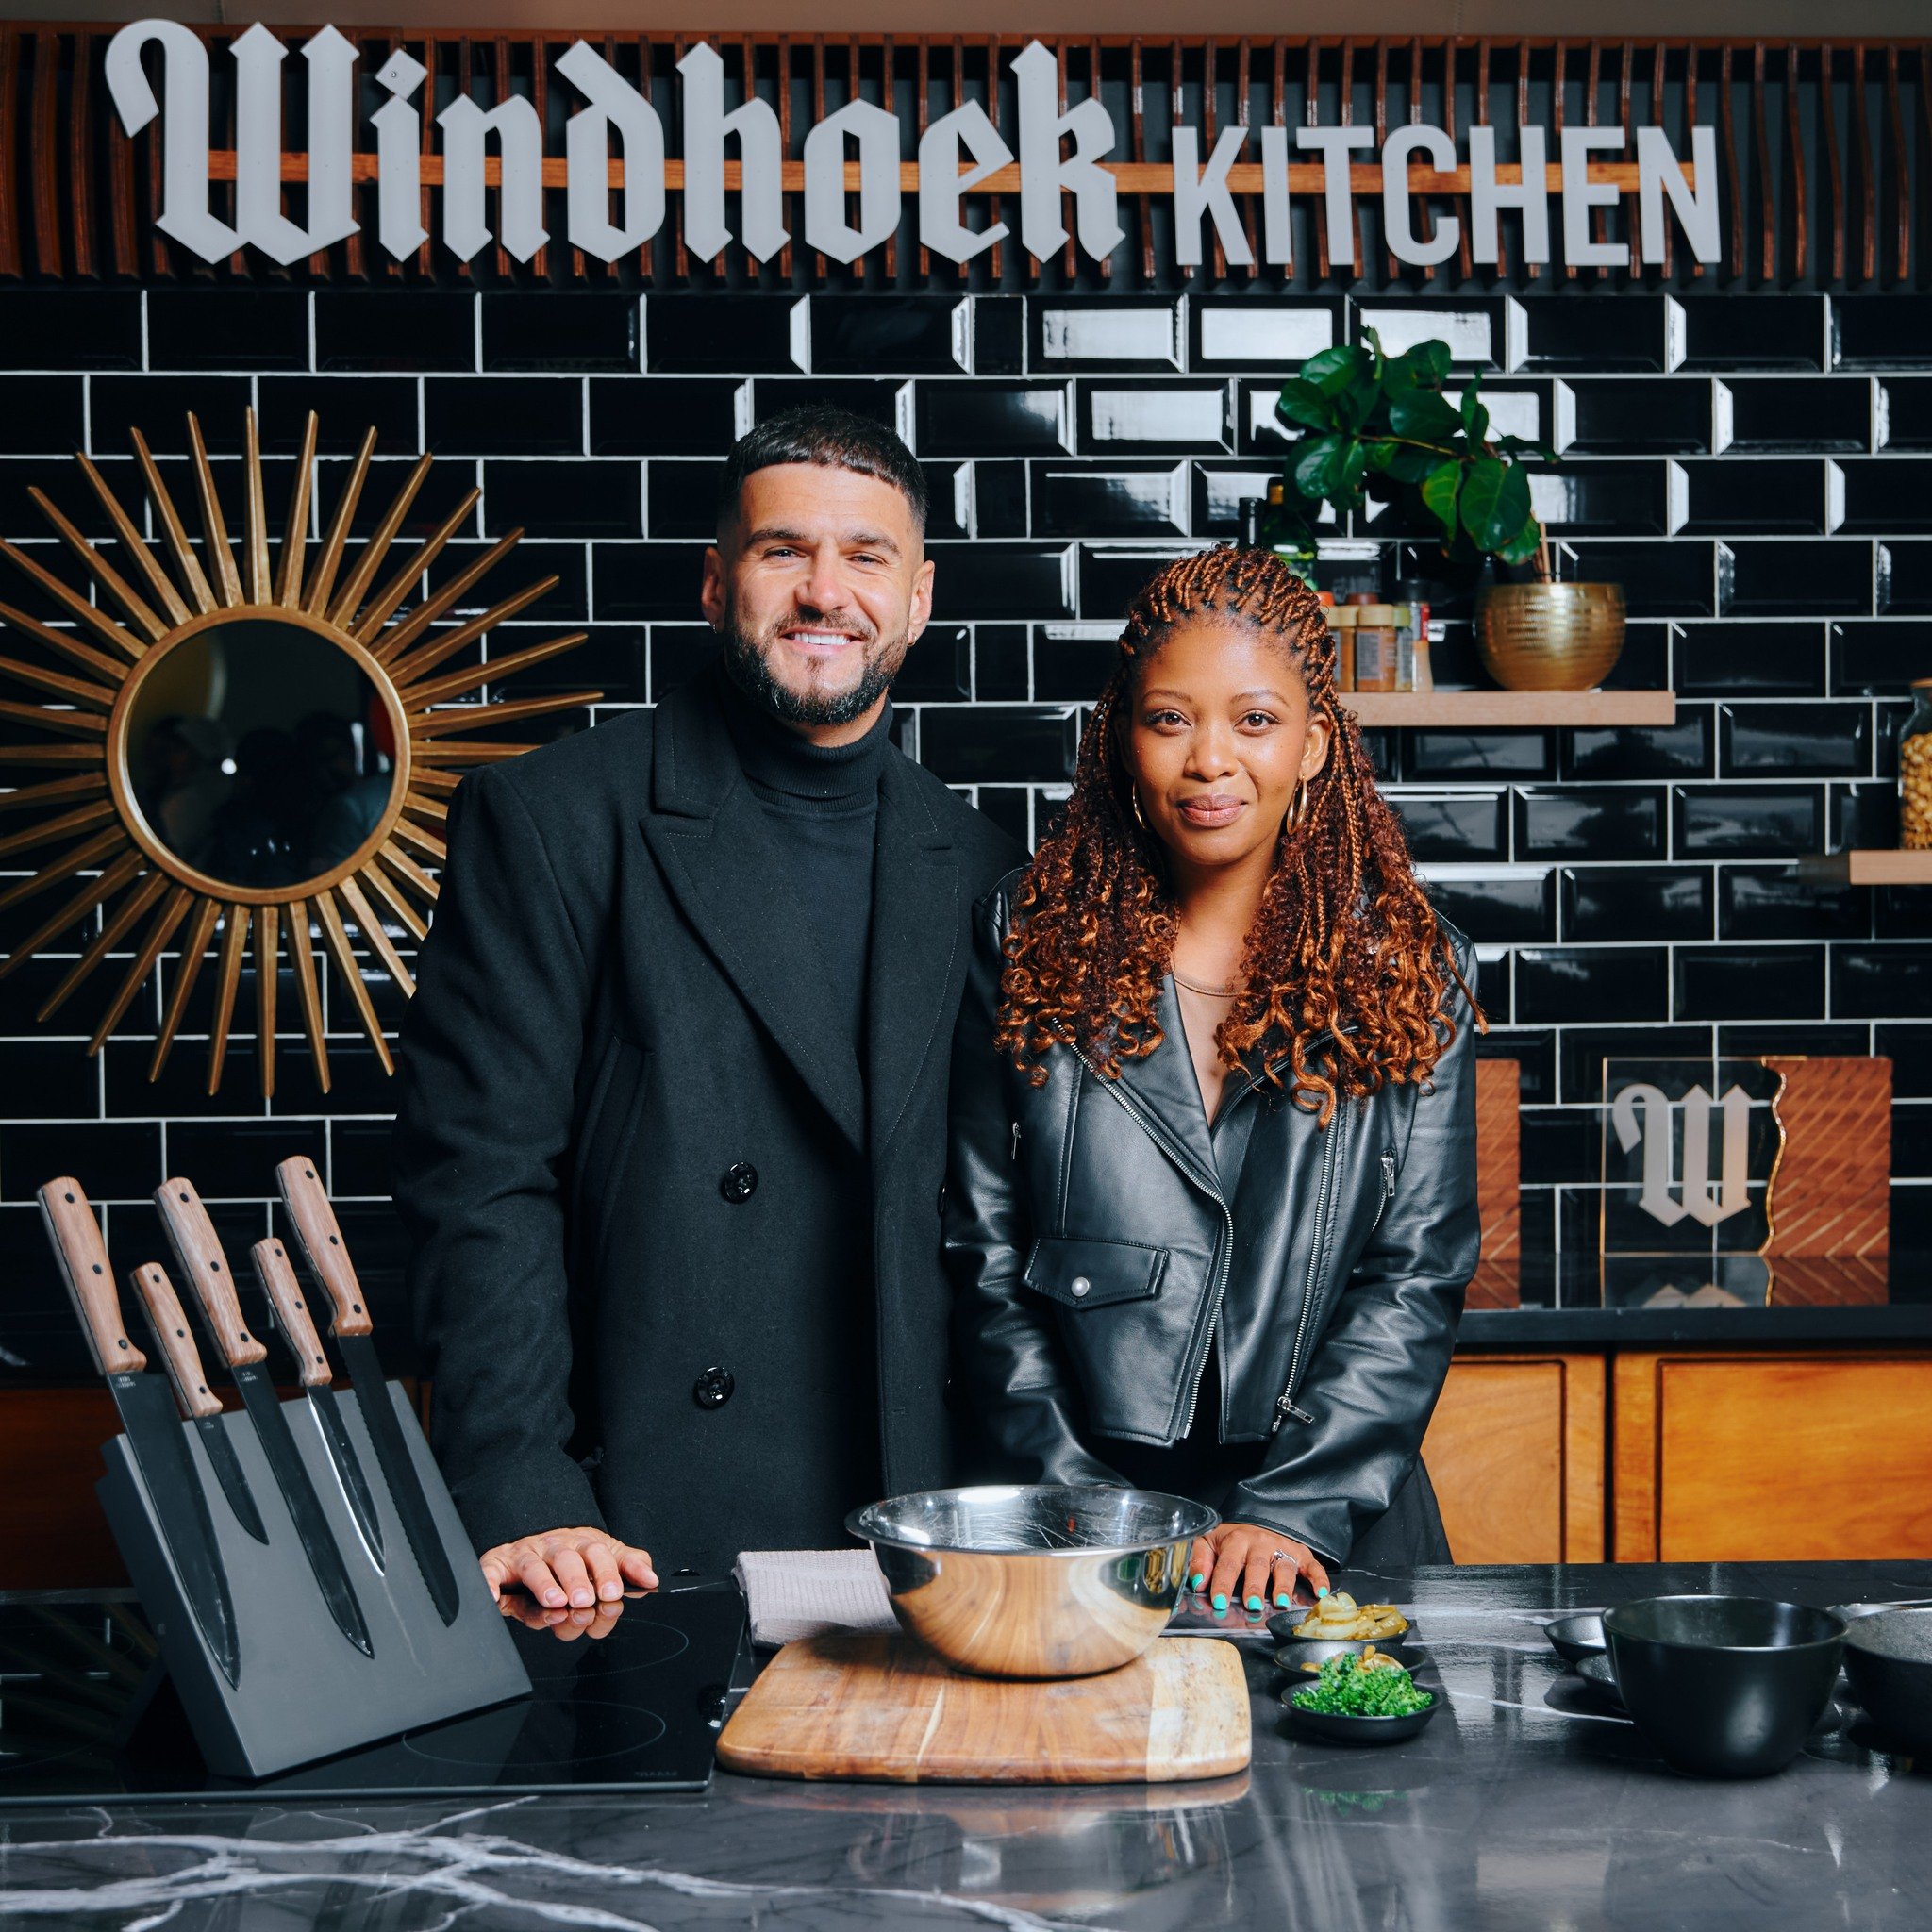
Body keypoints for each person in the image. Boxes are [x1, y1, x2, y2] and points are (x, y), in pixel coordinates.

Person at [393, 406, 1020, 1624]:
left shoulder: (987, 864)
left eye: (865, 557)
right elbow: (477, 1175)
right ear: (713, 581)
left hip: (921, 1512)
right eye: (783, 551)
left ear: (921, 598)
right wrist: (520, 1480)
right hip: (631, 1524)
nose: (823, 592)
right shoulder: (559, 820)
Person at [943, 548, 1479, 1616]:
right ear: (1122, 739)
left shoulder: (1412, 967)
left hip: (1331, 1515)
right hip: (1087, 1515)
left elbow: (1413, 1275)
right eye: (1168, 719)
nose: (1208, 761)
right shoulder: (1024, 942)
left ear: (1314, 744)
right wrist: (1080, 1503)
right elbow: (980, 1253)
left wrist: (1291, 1509)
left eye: (1253, 719)